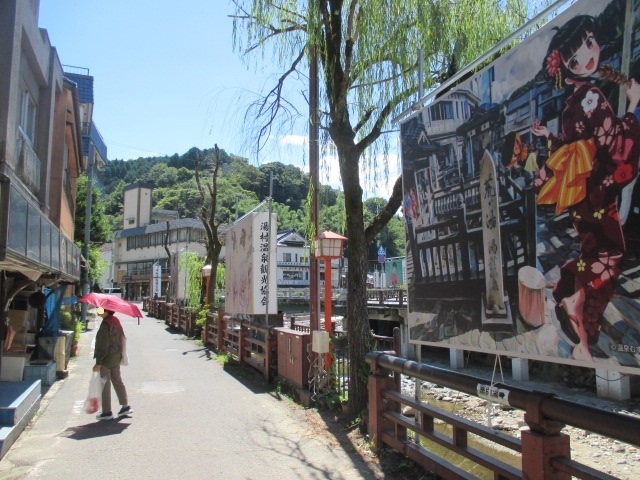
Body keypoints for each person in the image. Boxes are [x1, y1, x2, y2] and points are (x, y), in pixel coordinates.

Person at [529, 15, 640, 359]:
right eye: (576, 56)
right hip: (596, 193)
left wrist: (550, 139)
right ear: (566, 64)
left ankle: (582, 341)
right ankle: (573, 298)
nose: (588, 56)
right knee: (609, 259)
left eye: (589, 43)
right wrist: (634, 108)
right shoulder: (591, 97)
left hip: (582, 198)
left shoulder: (571, 106)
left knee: (594, 256)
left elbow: (570, 147)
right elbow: (614, 144)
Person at [93, 307, 132, 420]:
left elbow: (102, 344)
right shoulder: (116, 320)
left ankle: (107, 411)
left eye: (100, 309)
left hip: (106, 358)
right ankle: (125, 405)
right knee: (117, 380)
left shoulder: (105, 324)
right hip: (116, 356)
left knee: (105, 383)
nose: (98, 311)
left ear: (106, 311)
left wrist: (98, 362)